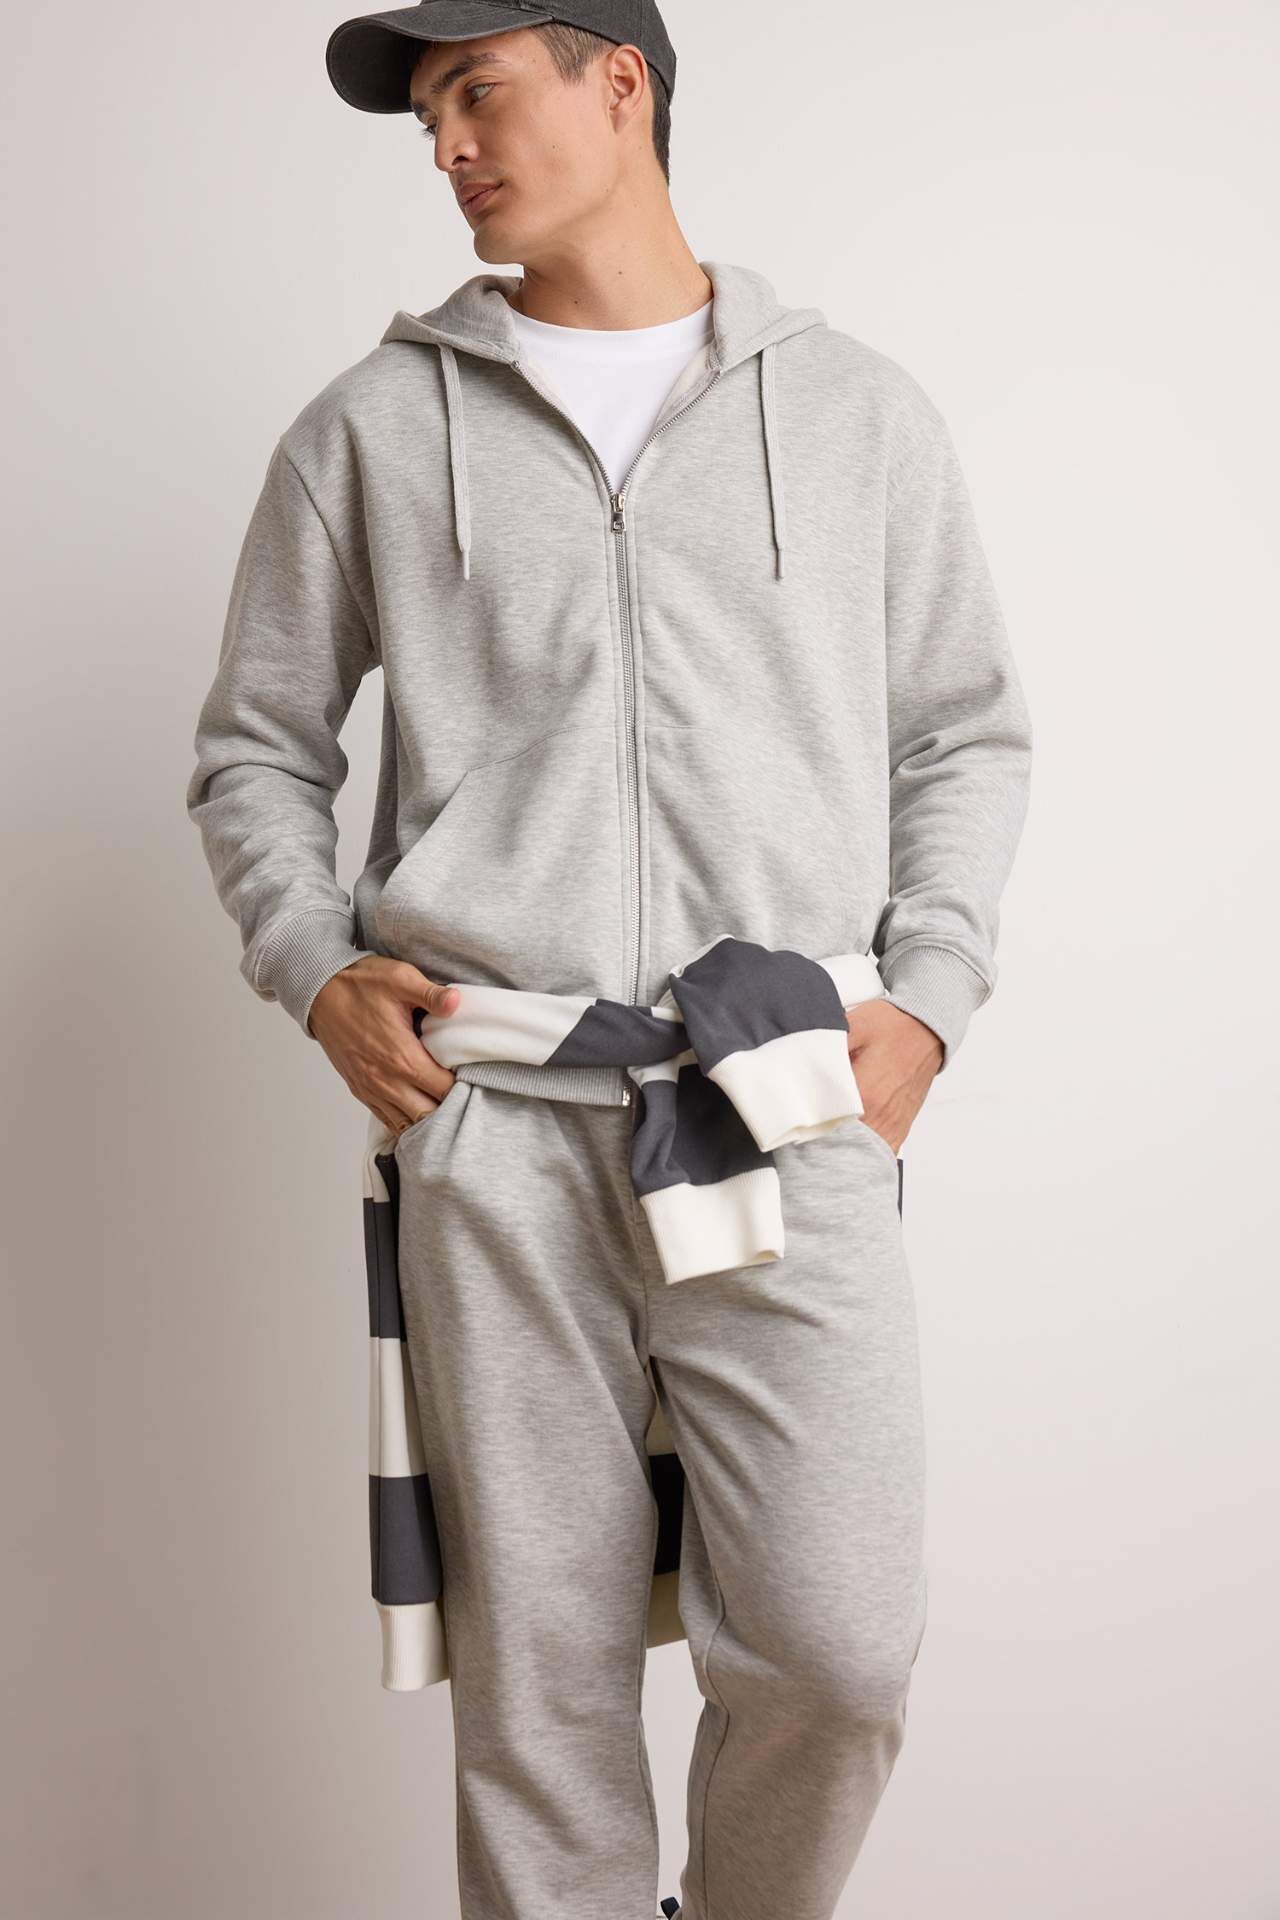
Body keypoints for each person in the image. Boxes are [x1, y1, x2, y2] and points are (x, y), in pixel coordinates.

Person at [185, 1, 1034, 1914]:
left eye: (476, 92)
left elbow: (965, 730)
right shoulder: (372, 429)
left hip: (781, 1104)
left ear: (622, 85)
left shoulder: (854, 413)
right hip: (497, 1113)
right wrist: (314, 961)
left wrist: (930, 1000)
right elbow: (256, 748)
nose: (446, 146)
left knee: (837, 1651)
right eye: (428, 115)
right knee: (542, 1696)